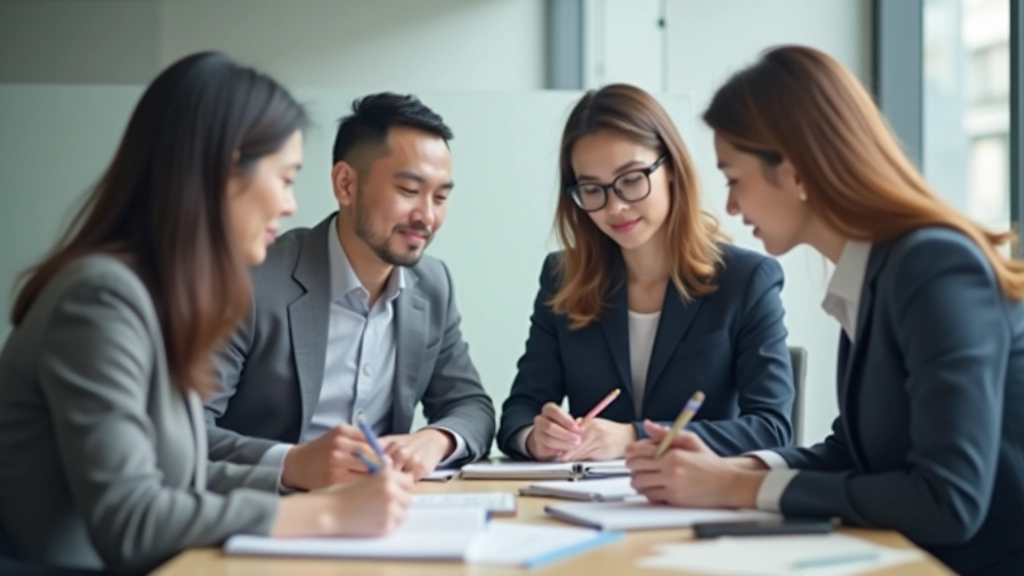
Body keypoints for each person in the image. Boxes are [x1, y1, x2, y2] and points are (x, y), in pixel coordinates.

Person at [0, 53, 414, 575]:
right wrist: (326, 513)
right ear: (224, 170)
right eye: (285, 178)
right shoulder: (100, 299)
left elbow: (182, 481)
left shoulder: (156, 299)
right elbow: (131, 520)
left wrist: (302, 481)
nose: (290, 205)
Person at [625, 45, 1024, 576]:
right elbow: (856, 450)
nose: (733, 207)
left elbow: (946, 500)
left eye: (734, 178)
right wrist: (726, 467)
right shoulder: (877, 271)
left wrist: (738, 487)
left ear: (792, 171)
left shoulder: (934, 266)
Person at [204, 93, 495, 489]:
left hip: (379, 514)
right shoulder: (252, 280)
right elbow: (188, 431)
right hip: (265, 514)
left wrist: (435, 439)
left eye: (440, 197)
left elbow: (472, 406)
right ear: (345, 184)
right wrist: (293, 463)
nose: (427, 216)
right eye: (409, 190)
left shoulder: (433, 285)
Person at [497, 83, 795, 462]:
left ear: (670, 168)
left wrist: (634, 439)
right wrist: (535, 436)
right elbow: (519, 413)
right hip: (588, 505)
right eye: (592, 188)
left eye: (632, 179)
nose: (615, 206)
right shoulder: (562, 276)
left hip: (698, 502)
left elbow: (771, 428)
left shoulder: (746, 279)